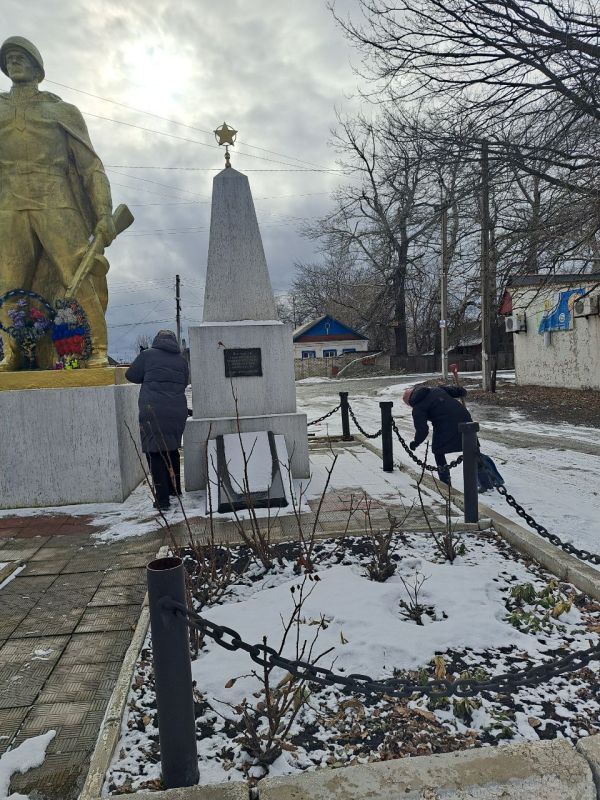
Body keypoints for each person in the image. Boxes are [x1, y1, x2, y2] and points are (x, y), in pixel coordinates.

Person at [0, 36, 116, 370]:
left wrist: (104, 212)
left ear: (38, 69)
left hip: (56, 201)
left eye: (21, 57)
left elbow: (91, 166)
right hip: (9, 205)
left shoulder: (61, 111)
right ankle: (14, 352)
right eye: (9, 58)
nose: (14, 61)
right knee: (8, 284)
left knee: (78, 273)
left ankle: (97, 347)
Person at [126, 330, 189, 511]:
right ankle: (174, 490)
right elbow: (184, 382)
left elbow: (131, 376)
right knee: (171, 449)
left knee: (155, 452)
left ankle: (162, 500)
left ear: (156, 340)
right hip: (177, 411)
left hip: (153, 411)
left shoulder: (147, 355)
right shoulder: (182, 360)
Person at [402, 384, 472, 485]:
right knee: (472, 448)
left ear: (409, 401)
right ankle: (485, 478)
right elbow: (456, 391)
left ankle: (445, 482)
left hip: (446, 424)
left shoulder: (418, 407)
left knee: (438, 451)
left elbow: (422, 430)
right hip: (465, 418)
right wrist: (461, 391)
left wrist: (416, 442)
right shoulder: (436, 389)